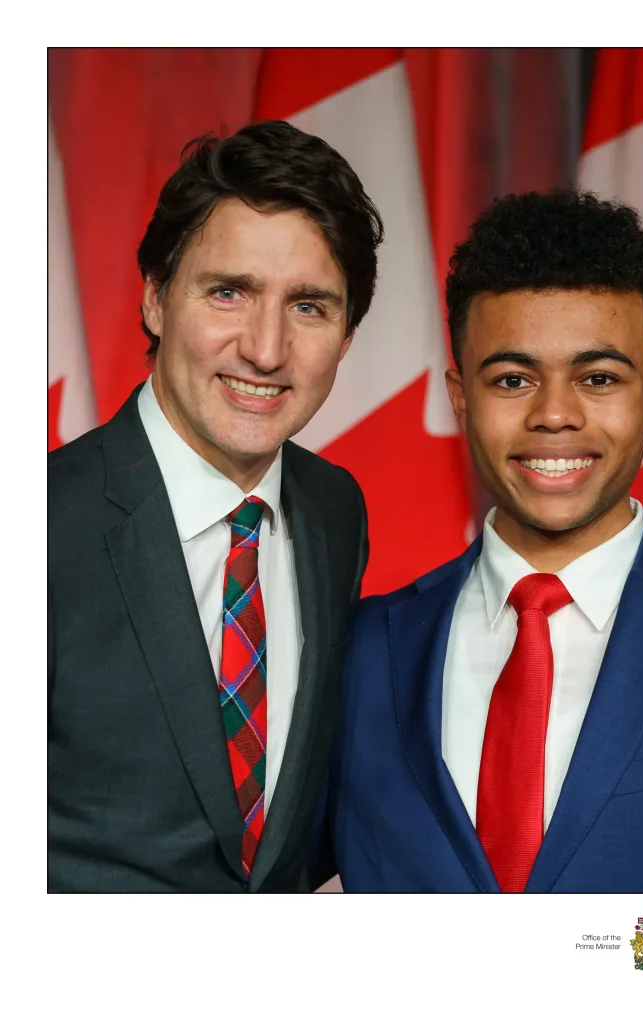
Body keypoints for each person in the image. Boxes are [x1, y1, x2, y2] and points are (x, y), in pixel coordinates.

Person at [313, 188, 643, 893]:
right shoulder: (361, 648)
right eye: (513, 379)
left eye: (599, 377)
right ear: (460, 397)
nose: (554, 414)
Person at [48, 120, 384, 893]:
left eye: (309, 306)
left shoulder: (336, 510)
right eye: (228, 292)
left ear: (347, 333)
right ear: (157, 298)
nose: (265, 349)